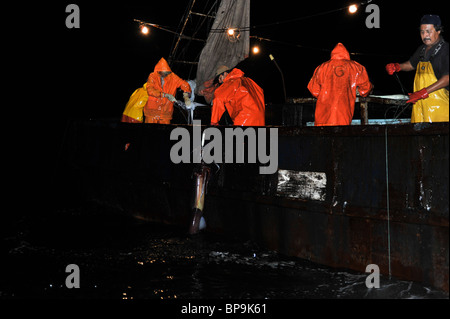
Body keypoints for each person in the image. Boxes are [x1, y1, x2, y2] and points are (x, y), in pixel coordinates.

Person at [386, 15, 449, 123]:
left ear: (438, 31)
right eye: (422, 32)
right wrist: (398, 66)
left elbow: (447, 78)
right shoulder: (422, 49)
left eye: (428, 31)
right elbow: (411, 64)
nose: (425, 35)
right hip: (420, 106)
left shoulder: (446, 50)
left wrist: (423, 92)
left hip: (440, 108)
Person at [307, 43, 373, 126]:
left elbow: (314, 91)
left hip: (323, 117)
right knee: (341, 135)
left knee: (322, 135)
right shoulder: (357, 67)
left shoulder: (322, 67)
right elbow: (365, 90)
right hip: (344, 114)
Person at [144, 58, 192, 124]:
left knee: (164, 132)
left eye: (167, 72)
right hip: (151, 112)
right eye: (165, 72)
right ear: (159, 71)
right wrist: (164, 95)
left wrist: (186, 96)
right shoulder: (152, 76)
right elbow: (150, 90)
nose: (166, 74)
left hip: (166, 113)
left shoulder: (172, 77)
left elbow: (184, 84)